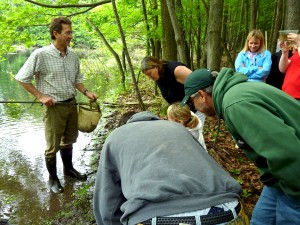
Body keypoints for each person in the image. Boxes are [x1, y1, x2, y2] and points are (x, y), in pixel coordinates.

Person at [181, 68, 300, 224]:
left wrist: (294, 193)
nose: (195, 109)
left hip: (294, 179)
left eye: (192, 103)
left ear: (202, 95)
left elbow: (287, 152)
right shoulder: (236, 93)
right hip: (278, 178)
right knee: (260, 220)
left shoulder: (236, 104)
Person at [93, 111, 248, 225]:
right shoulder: (177, 128)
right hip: (229, 211)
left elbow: (107, 203)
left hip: (160, 219)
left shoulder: (116, 137)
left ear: (124, 125)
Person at [15, 17, 97, 194]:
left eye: (71, 32)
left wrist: (86, 92)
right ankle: (53, 179)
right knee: (52, 145)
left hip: (71, 104)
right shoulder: (41, 54)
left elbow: (77, 80)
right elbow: (22, 78)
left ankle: (69, 170)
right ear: (56, 33)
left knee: (69, 140)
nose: (71, 36)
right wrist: (40, 96)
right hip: (54, 107)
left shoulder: (73, 55)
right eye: (68, 33)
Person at [141, 56, 206, 126]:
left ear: (155, 66)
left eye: (149, 74)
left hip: (196, 110)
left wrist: (197, 107)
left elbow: (200, 85)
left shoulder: (177, 70)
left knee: (193, 135)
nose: (150, 77)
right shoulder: (159, 77)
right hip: (181, 114)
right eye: (147, 76)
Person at [279, 33, 300, 101]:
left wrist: (299, 43)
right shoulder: (296, 54)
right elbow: (282, 69)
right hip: (287, 95)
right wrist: (285, 52)